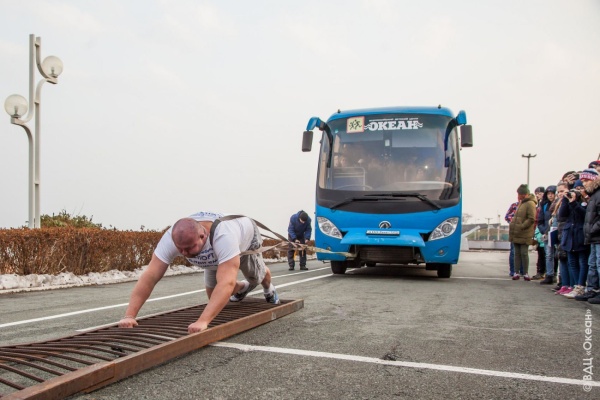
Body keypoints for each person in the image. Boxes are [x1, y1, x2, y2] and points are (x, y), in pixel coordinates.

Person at [118, 211, 280, 334]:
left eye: (189, 248)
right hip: (214, 255)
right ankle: (243, 288)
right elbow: (150, 277)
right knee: (214, 297)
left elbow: (226, 282)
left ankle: (267, 285)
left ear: (203, 236)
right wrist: (129, 315)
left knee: (254, 277)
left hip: (245, 240)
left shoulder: (224, 236)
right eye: (180, 249)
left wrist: (203, 321)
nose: (184, 253)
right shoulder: (171, 238)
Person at [575, 168, 600, 302]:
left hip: (597, 236)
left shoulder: (598, 194)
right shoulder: (593, 195)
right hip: (594, 237)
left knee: (598, 264)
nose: (583, 183)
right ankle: (592, 289)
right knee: (592, 264)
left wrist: (592, 229)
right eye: (582, 181)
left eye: (586, 180)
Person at [509, 184, 537, 281]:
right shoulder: (522, 203)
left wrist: (522, 226)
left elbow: (531, 218)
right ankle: (516, 272)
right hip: (517, 232)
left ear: (524, 194)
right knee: (517, 253)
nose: (518, 196)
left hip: (524, 233)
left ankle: (525, 272)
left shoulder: (530, 203)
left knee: (524, 253)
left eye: (519, 194)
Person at [538, 186, 558, 285]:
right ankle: (549, 274)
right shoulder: (544, 205)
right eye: (548, 194)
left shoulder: (559, 204)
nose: (550, 195)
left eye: (552, 193)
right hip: (547, 233)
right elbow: (540, 220)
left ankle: (557, 275)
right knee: (548, 255)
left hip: (557, 232)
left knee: (557, 255)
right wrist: (543, 231)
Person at [531, 186, 546, 280]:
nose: (537, 195)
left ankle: (544, 272)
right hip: (538, 231)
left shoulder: (545, 205)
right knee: (540, 253)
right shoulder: (538, 205)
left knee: (545, 254)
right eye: (536, 194)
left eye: (539, 193)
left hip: (543, 231)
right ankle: (540, 272)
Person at [504, 199, 520, 277]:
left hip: (524, 231)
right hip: (514, 231)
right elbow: (507, 216)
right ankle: (513, 271)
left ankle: (523, 271)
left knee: (523, 252)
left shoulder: (529, 205)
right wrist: (513, 222)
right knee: (513, 251)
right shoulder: (514, 205)